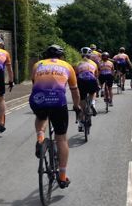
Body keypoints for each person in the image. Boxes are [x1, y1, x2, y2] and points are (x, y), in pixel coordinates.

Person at [29, 44, 81, 189]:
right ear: (61, 56)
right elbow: (75, 91)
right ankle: (62, 177)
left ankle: (40, 138)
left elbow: (34, 83)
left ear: (46, 55)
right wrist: (76, 106)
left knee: (41, 117)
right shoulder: (67, 66)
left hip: (38, 98)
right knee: (61, 138)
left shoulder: (38, 65)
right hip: (58, 102)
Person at [75, 47, 100, 130]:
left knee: (81, 100)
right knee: (93, 92)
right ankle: (92, 103)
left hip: (81, 81)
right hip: (91, 79)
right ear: (90, 55)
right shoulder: (94, 63)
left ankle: (81, 122)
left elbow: (75, 76)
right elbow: (96, 76)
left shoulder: (77, 63)